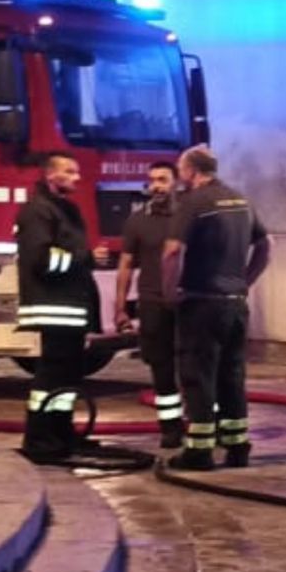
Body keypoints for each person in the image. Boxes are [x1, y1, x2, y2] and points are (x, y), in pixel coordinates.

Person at [162, 145, 269, 471]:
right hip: (235, 304)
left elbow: (172, 252)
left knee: (198, 376)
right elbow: (266, 245)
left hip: (201, 302)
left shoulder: (193, 202)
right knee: (232, 375)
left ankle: (199, 451)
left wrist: (169, 293)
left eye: (181, 169)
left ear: (191, 171)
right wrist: (244, 282)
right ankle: (237, 447)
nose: (180, 175)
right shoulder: (241, 199)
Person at [13, 152, 98, 465]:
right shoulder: (37, 211)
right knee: (51, 375)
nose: (77, 177)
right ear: (51, 176)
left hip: (70, 306)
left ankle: (61, 433)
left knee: (67, 377)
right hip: (52, 306)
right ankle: (39, 437)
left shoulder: (64, 209)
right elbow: (40, 259)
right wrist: (84, 258)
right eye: (70, 172)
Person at [114, 159, 183, 449]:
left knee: (194, 367)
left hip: (187, 304)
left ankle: (204, 424)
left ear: (176, 182)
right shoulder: (137, 221)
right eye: (152, 180)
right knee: (161, 370)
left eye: (162, 180)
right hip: (153, 305)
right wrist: (119, 307)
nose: (156, 186)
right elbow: (126, 264)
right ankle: (170, 428)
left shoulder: (189, 216)